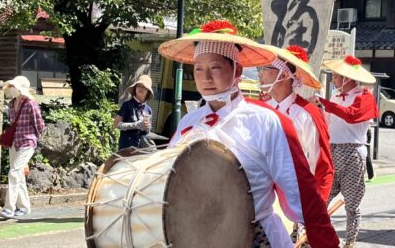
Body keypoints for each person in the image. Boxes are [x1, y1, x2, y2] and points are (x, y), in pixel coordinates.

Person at [159, 20, 339, 248]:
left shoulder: (265, 121)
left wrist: (325, 242)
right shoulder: (189, 122)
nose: (206, 77)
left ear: (237, 70)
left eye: (215, 68)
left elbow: (303, 194)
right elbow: (165, 180)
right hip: (196, 237)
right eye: (198, 69)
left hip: (254, 235)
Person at [313, 55, 379, 248]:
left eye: (335, 77)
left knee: (352, 204)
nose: (333, 80)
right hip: (332, 150)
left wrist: (327, 105)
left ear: (347, 78)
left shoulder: (364, 96)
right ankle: (320, 238)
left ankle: (350, 242)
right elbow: (327, 123)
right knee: (322, 198)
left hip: (353, 152)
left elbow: (353, 116)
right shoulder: (335, 96)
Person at [257, 44, 333, 202]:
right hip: (261, 196)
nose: (260, 74)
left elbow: (321, 166)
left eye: (265, 68)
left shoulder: (309, 113)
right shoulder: (260, 109)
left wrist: (317, 207)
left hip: (295, 197)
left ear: (284, 75)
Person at [0, 76, 45, 219]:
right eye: (11, 86)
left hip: (27, 142)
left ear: (20, 89)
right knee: (18, 174)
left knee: (13, 172)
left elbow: (40, 124)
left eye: (13, 86)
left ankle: (9, 208)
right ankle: (24, 207)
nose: (11, 89)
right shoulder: (11, 104)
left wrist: (34, 138)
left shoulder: (31, 103)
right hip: (14, 142)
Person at [113, 75, 154, 150]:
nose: (140, 88)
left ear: (148, 91)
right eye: (138, 86)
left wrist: (147, 128)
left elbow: (147, 132)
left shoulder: (148, 110)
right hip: (126, 147)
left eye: (144, 87)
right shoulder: (127, 105)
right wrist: (135, 125)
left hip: (140, 150)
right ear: (135, 88)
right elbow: (116, 124)